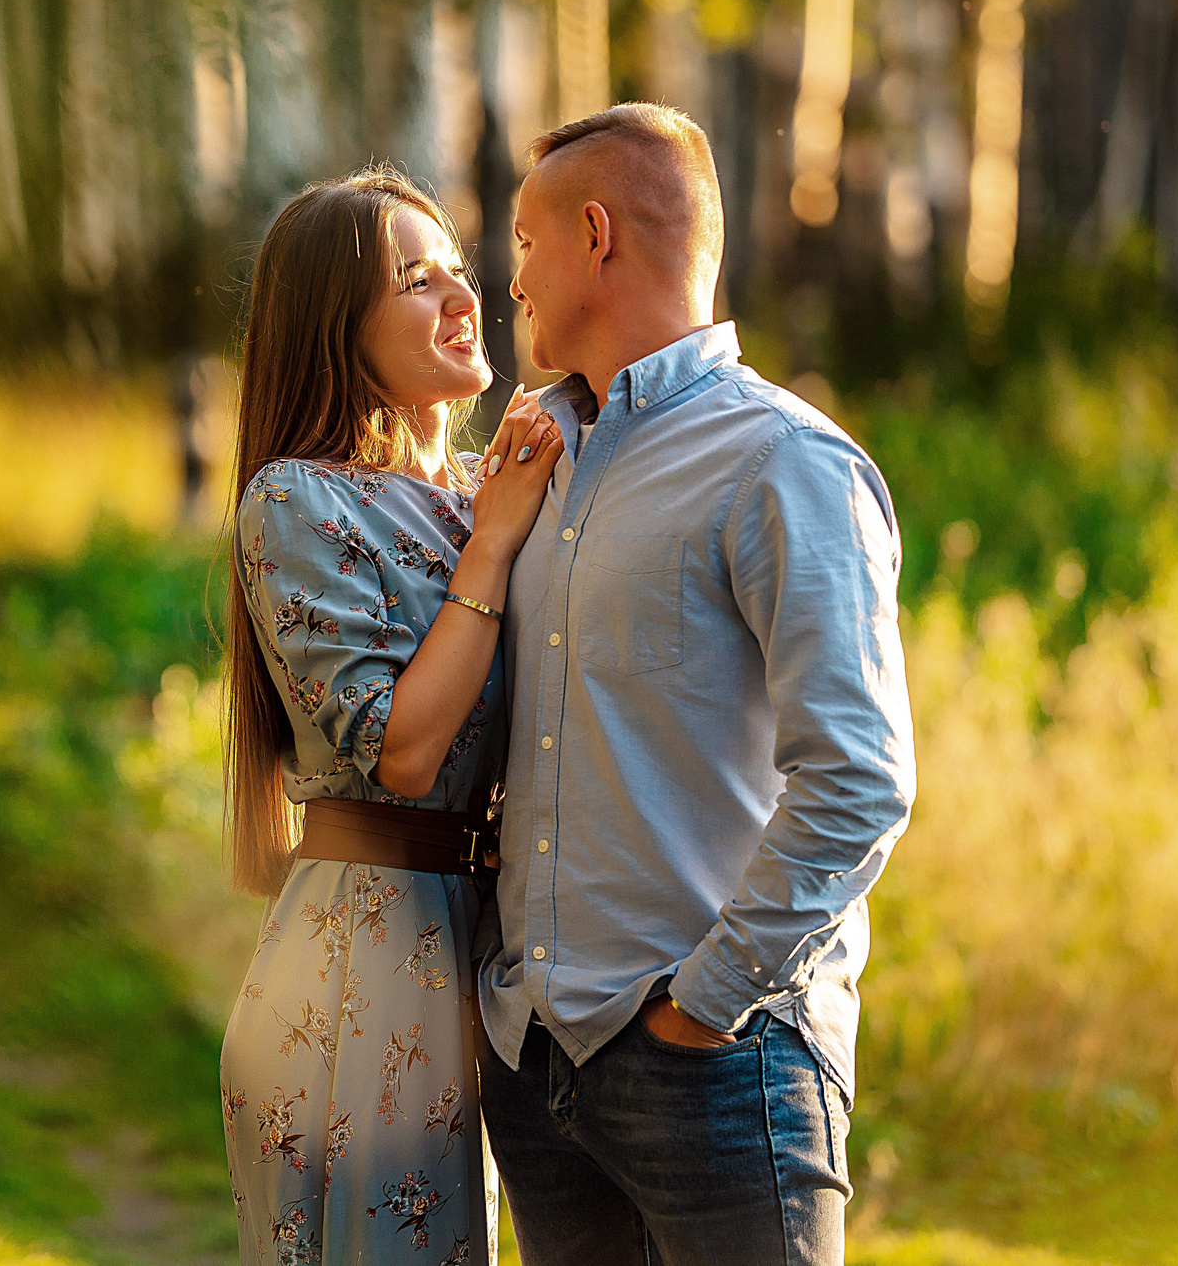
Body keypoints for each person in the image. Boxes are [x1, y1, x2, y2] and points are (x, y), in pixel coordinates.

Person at [479, 103, 919, 1265]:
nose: (510, 279)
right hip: (536, 1066)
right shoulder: (530, 465)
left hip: (719, 1067)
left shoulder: (782, 461)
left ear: (594, 235)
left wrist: (705, 1006)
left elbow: (859, 778)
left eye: (525, 242)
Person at [221, 168, 565, 1266]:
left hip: (481, 947)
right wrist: (493, 543)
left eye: (458, 269)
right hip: (361, 955)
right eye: (417, 281)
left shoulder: (479, 485)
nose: (465, 296)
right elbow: (405, 751)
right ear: (337, 328)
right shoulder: (297, 498)